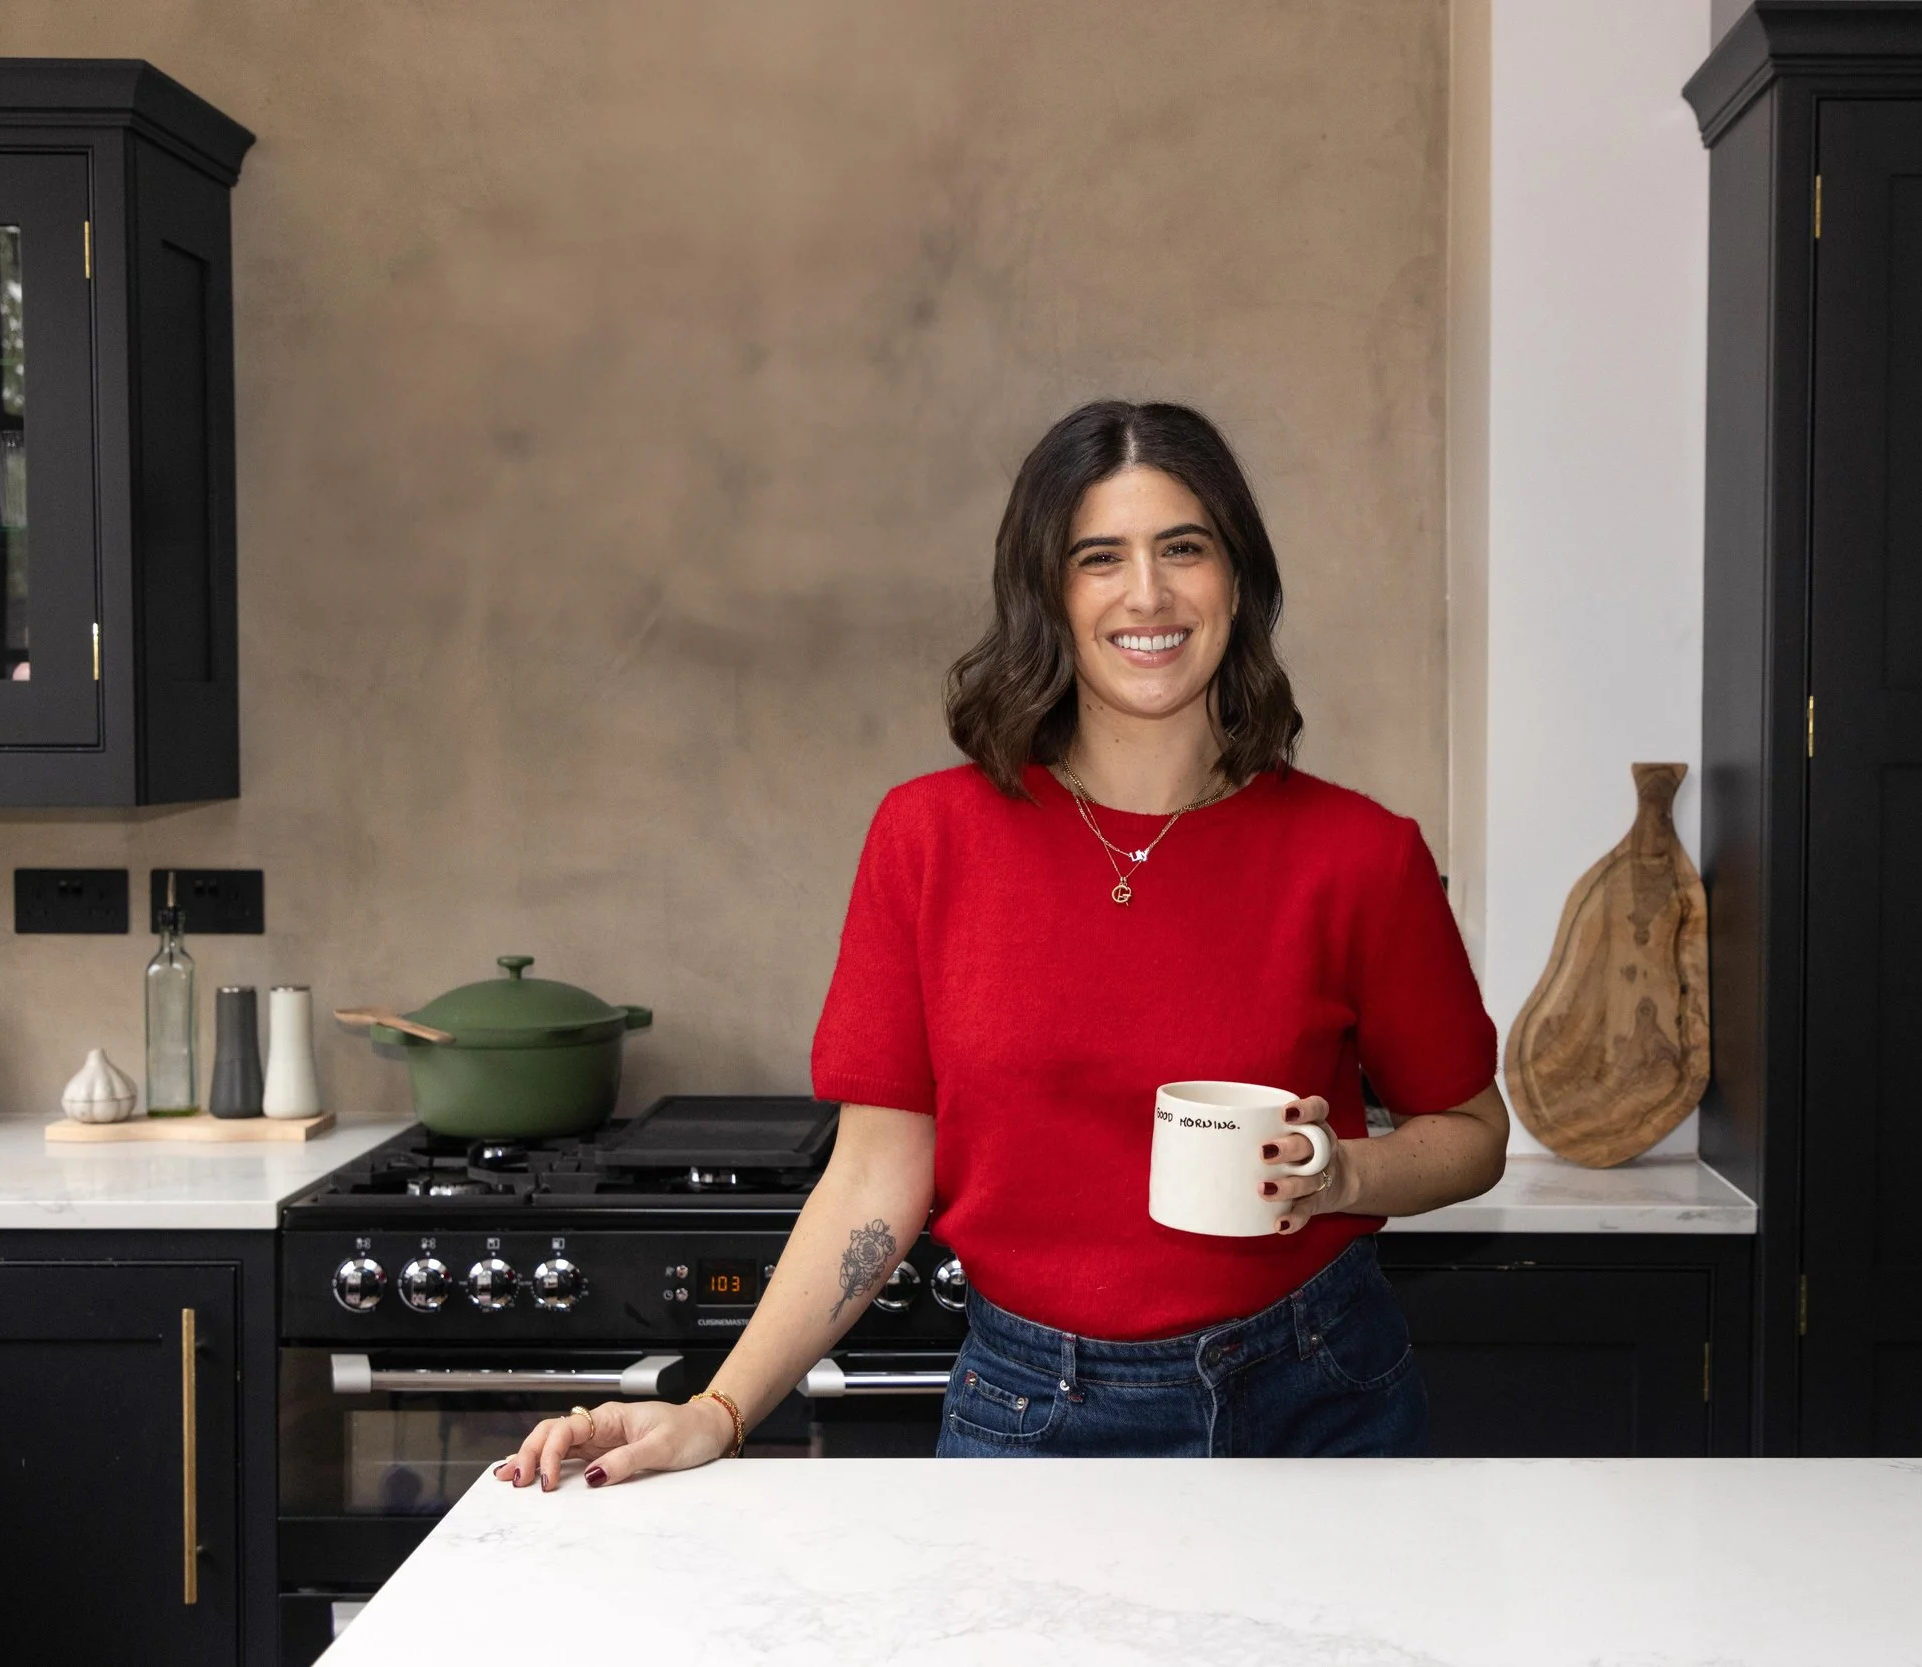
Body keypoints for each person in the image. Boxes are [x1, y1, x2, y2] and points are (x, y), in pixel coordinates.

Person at [498, 399, 1503, 1480]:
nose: (1148, 593)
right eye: (1097, 557)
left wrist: (1344, 1174)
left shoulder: (1360, 854)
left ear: (1236, 579)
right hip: (1032, 1412)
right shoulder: (930, 838)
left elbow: (1472, 1131)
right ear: (1046, 594)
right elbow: (873, 1178)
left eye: (1183, 548)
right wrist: (719, 1407)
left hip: (1318, 1399)